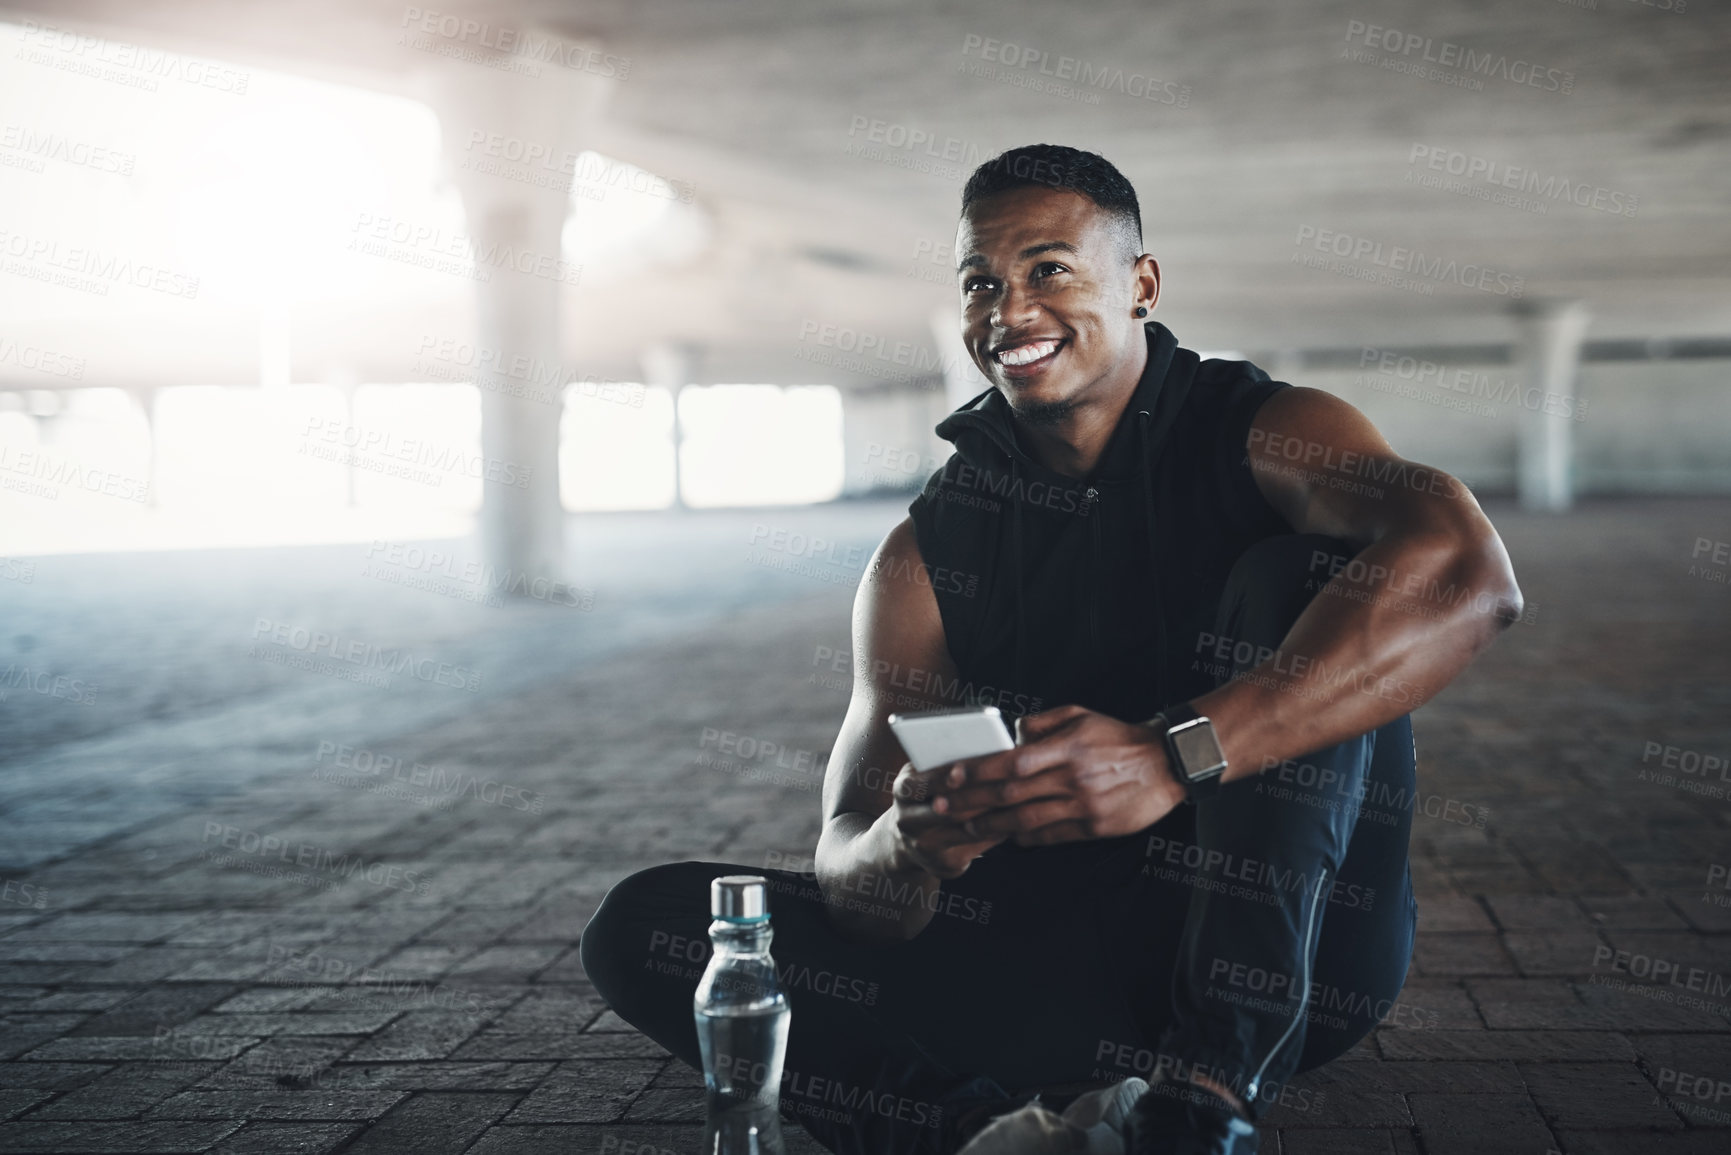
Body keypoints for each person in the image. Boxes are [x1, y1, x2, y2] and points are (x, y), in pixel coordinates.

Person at [581, 144, 1523, 1154]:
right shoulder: (924, 554)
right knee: (658, 922)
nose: (1010, 311)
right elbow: (853, 865)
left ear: (1142, 286)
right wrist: (909, 849)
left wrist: (1174, 755)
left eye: (1050, 270)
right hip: (1056, 970)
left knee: (1297, 574)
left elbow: (1468, 570)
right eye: (981, 283)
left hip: (1289, 962)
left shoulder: (1262, 433)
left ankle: (1206, 1096)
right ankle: (990, 1136)